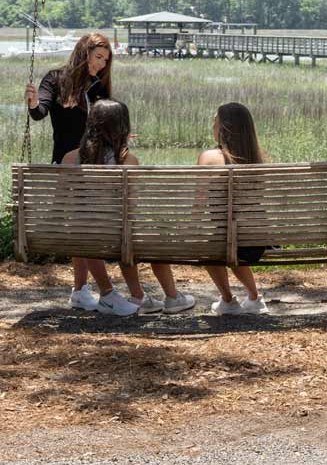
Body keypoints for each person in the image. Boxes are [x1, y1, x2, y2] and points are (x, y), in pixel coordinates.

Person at [62, 99, 196, 316]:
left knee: (87, 230)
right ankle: (162, 296)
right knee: (131, 233)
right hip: (115, 235)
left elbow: (61, 204)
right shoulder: (128, 161)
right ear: (122, 128)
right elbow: (130, 207)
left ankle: (134, 296)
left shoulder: (70, 158)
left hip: (80, 235)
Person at [26, 33, 118, 312]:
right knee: (85, 229)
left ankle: (80, 290)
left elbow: (105, 123)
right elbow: (40, 111)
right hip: (68, 166)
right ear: (84, 53)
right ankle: (105, 293)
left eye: (106, 60)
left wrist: (118, 136)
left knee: (83, 229)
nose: (101, 65)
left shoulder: (98, 86)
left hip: (94, 167)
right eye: (98, 57)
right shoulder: (55, 79)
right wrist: (31, 102)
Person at [197, 102, 270, 315]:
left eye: (215, 122)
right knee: (234, 241)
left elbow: (198, 205)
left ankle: (228, 300)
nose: (212, 126)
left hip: (225, 241)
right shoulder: (257, 159)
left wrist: (187, 228)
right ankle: (255, 298)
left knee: (217, 245)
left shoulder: (209, 158)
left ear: (224, 128)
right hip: (256, 241)